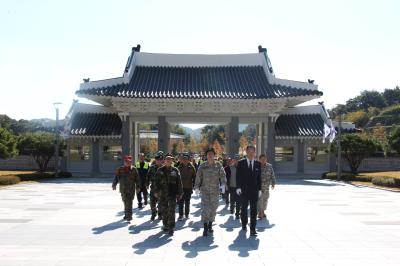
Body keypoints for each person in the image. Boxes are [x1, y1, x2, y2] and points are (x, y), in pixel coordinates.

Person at [194, 148, 227, 237]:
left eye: (212, 154)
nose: (210, 155)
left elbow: (223, 175)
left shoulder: (218, 165)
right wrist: (196, 187)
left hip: (215, 191)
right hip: (205, 191)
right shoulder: (202, 166)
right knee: (205, 209)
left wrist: (223, 185)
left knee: (214, 209)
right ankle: (205, 227)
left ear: (214, 155)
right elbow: (198, 176)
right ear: (206, 155)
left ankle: (210, 224)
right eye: (208, 154)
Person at [154, 153, 183, 236]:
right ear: (164, 161)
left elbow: (179, 182)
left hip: (172, 194)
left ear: (172, 161)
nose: (168, 161)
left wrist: (180, 193)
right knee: (164, 210)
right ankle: (165, 225)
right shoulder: (160, 170)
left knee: (172, 211)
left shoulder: (175, 170)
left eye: (170, 160)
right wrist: (155, 192)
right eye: (167, 160)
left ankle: (171, 227)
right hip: (162, 194)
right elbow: (156, 182)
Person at [236, 145, 262, 236]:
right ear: (246, 152)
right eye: (249, 152)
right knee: (243, 208)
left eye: (253, 152)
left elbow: (259, 178)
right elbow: (238, 176)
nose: (251, 153)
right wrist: (238, 187)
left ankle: (253, 229)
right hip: (244, 190)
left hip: (254, 191)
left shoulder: (258, 164)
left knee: (254, 210)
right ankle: (244, 223)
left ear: (255, 153)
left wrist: (260, 189)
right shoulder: (241, 163)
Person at [112, 155, 140, 222]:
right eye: (126, 161)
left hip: (131, 189)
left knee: (129, 202)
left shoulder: (134, 169)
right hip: (123, 189)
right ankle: (126, 214)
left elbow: (137, 179)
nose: (128, 163)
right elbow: (116, 177)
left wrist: (138, 187)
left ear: (131, 162)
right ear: (124, 162)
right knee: (125, 202)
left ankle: (129, 216)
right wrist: (114, 184)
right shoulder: (120, 169)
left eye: (129, 162)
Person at [177, 153, 196, 220]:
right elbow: (176, 178)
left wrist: (194, 185)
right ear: (182, 160)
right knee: (181, 202)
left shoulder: (192, 167)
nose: (185, 160)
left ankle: (187, 214)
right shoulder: (179, 167)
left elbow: (194, 177)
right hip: (181, 188)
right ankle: (180, 215)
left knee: (187, 201)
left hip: (189, 187)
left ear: (188, 160)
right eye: (183, 159)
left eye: (186, 159)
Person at [146, 151, 164, 221]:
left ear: (162, 160)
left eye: (160, 160)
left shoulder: (164, 168)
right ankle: (154, 213)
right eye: (157, 160)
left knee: (160, 204)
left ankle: (160, 215)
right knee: (152, 203)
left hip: (161, 189)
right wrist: (147, 184)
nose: (158, 161)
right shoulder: (152, 167)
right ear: (155, 160)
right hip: (153, 188)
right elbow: (148, 176)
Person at [258, 154, 276, 219]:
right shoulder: (257, 166)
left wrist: (273, 183)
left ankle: (262, 211)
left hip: (266, 187)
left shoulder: (269, 166)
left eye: (264, 159)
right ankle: (261, 212)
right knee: (260, 199)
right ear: (259, 159)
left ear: (266, 159)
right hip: (259, 187)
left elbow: (272, 175)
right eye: (262, 159)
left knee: (265, 199)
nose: (263, 160)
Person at [225, 154, 241, 219]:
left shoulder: (242, 168)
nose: (237, 161)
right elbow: (226, 177)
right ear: (233, 160)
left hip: (239, 188)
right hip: (232, 187)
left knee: (238, 201)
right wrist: (226, 185)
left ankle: (237, 213)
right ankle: (232, 210)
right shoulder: (230, 168)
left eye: (238, 159)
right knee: (232, 200)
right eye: (235, 159)